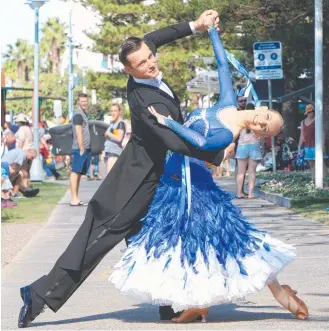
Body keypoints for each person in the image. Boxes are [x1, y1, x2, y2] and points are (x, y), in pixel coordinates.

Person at [17, 10, 225, 328]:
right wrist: (217, 150)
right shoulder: (145, 101)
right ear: (129, 70)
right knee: (97, 239)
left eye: (149, 57)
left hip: (157, 178)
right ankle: (40, 294)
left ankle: (169, 303)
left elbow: (155, 37)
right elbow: (176, 141)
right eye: (141, 64)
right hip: (135, 182)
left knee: (155, 241)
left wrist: (195, 26)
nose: (150, 63)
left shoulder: (146, 62)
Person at [109, 25, 308, 323]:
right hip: (175, 180)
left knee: (218, 240)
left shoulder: (228, 135)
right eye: (266, 116)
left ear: (258, 132)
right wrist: (212, 30)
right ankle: (202, 300)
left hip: (193, 186)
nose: (262, 121)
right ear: (262, 109)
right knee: (193, 242)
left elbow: (198, 142)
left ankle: (273, 295)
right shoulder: (227, 102)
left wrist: (168, 122)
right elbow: (222, 62)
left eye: (265, 127)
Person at [69, 93, 91, 207]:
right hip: (79, 148)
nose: (84, 103)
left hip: (84, 148)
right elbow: (78, 132)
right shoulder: (78, 115)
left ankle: (76, 198)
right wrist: (82, 147)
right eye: (82, 101)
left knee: (79, 173)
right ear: (78, 102)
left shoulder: (84, 114)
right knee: (75, 171)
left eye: (85, 101)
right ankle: (74, 199)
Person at [298, 104, 328, 181]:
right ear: (306, 113)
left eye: (312, 112)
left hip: (317, 146)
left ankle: (326, 180)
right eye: (309, 112)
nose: (311, 113)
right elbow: (302, 135)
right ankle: (314, 180)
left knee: (320, 163)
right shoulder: (302, 122)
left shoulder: (317, 120)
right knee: (311, 164)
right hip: (307, 146)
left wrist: (323, 145)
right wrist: (299, 146)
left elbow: (322, 133)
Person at [104, 103, 126, 174]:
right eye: (112, 111)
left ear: (119, 112)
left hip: (114, 153)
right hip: (109, 151)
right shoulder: (113, 123)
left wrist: (108, 133)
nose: (113, 113)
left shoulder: (120, 123)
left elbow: (119, 138)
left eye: (115, 111)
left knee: (110, 176)